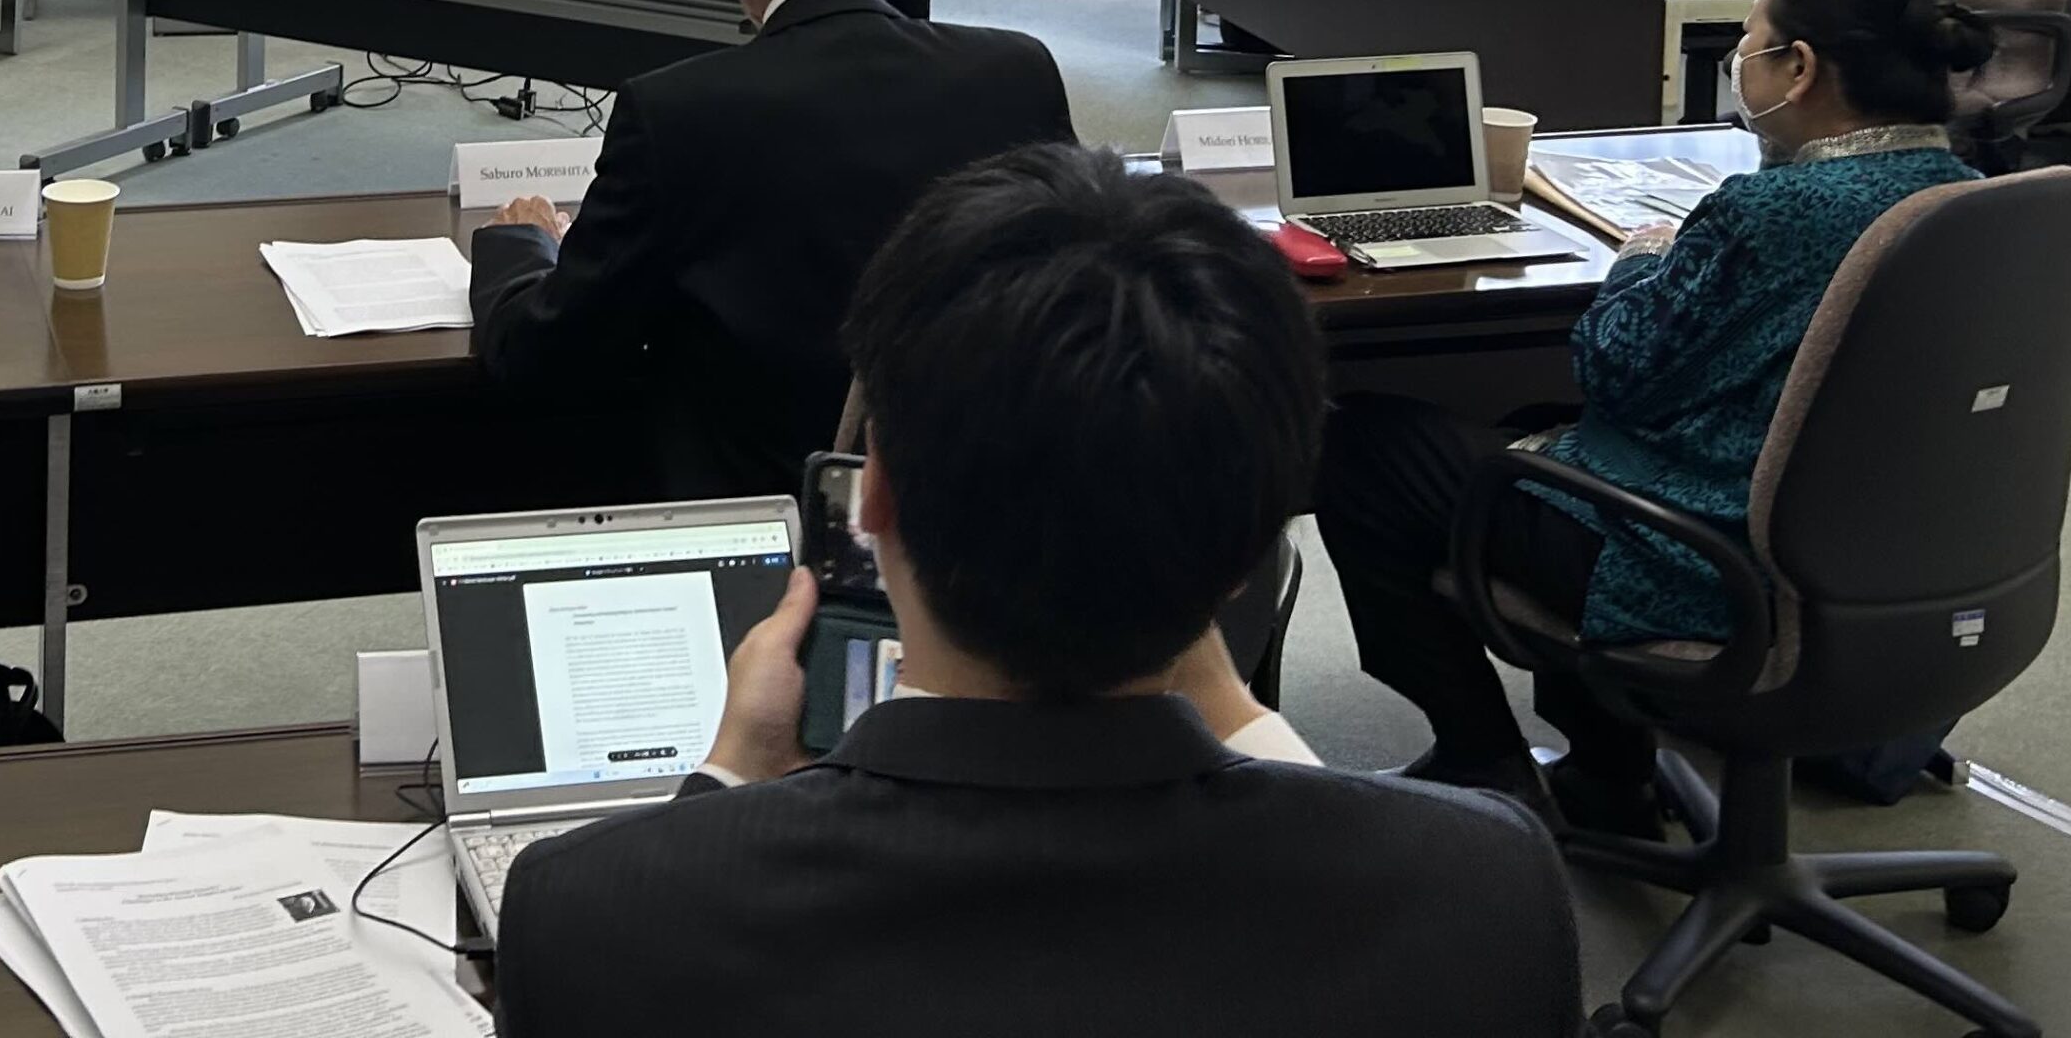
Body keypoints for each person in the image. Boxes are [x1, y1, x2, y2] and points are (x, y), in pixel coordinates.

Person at [495, 146, 1578, 1038]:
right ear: (1257, 546)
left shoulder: (590, 915)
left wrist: (730, 774)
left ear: (875, 497)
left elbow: (658, 917)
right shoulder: (1485, 888)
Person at [1315, 0, 1985, 827]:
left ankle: (1488, 759)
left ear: (1800, 68)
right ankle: (1606, 770)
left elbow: (1616, 371)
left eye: (1748, 39)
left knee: (1363, 446)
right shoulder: (1964, 195)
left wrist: (1640, 259)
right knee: (1535, 422)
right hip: (1875, 553)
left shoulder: (1773, 212)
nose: (1738, 57)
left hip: (1705, 563)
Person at [471, 0, 1069, 498]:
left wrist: (520, 247)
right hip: (999, 501)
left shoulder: (676, 114)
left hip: (773, 516)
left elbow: (548, 355)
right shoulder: (1019, 73)